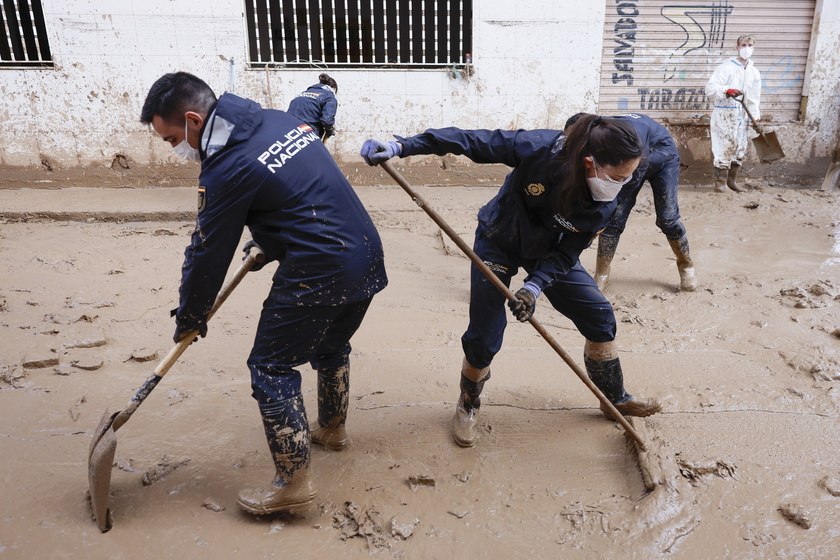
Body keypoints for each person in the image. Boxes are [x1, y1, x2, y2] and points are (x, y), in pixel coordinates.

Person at [140, 72, 387, 515]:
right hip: (366, 253)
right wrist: (269, 244)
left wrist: (191, 316)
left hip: (323, 266)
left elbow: (207, 252)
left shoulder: (226, 166)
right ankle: (332, 429)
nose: (173, 147)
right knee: (331, 343)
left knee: (270, 366)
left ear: (194, 120)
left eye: (171, 137)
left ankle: (293, 482)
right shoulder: (277, 121)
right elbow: (293, 192)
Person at [360, 116, 662, 448]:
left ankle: (614, 398)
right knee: (485, 335)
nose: (622, 184)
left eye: (628, 177)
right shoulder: (538, 149)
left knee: (598, 314)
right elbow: (470, 140)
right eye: (617, 177)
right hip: (500, 238)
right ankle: (468, 403)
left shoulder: (609, 197)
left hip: (549, 250)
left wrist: (535, 285)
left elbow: (569, 251)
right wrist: (402, 146)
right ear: (589, 162)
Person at [564, 112, 697, 292]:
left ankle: (686, 266)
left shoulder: (624, 133)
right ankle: (601, 275)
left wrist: (604, 210)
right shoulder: (597, 139)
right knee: (613, 223)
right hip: (630, 165)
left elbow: (628, 179)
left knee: (667, 219)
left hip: (661, 158)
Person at [706, 34, 762, 193]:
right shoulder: (726, 67)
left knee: (739, 148)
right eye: (743, 45)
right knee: (723, 148)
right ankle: (720, 185)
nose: (746, 48)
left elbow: (754, 97)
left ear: (754, 48)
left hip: (743, 116)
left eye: (750, 45)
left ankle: (732, 182)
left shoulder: (754, 72)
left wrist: (755, 116)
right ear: (737, 47)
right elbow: (710, 89)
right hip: (725, 114)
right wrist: (726, 90)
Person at [287, 73, 338, 141]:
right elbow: (327, 120)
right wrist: (329, 129)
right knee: (310, 150)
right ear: (334, 89)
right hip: (308, 129)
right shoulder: (329, 96)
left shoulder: (303, 93)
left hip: (289, 127)